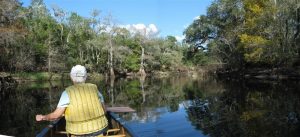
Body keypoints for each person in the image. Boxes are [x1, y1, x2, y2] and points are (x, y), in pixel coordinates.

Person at [36, 65, 108, 137]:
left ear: (71, 77)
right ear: (85, 77)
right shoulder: (94, 89)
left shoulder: (67, 93)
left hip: (78, 133)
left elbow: (56, 115)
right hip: (100, 129)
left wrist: (43, 117)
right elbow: (104, 111)